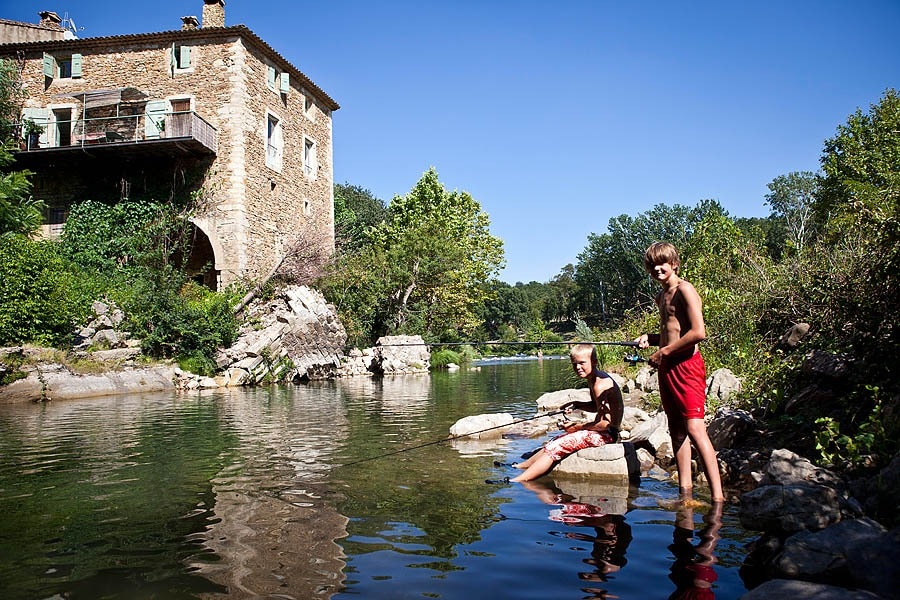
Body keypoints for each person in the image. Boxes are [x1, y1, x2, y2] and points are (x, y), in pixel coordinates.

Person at [635, 241, 724, 502]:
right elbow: (671, 333)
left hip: (687, 368)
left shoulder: (685, 290)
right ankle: (685, 492)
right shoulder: (661, 296)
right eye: (652, 265)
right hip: (667, 369)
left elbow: (698, 332)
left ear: (674, 264)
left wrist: (663, 352)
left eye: (662, 263)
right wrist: (650, 339)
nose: (657, 269)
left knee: (695, 429)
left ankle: (718, 497)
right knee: (676, 431)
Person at [511, 343, 624, 482]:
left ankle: (519, 480)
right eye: (574, 364)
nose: (577, 368)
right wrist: (577, 405)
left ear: (594, 362)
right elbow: (597, 407)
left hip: (608, 435)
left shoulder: (600, 384)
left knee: (560, 444)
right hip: (603, 431)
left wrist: (577, 427)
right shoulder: (593, 378)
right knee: (555, 440)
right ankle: (522, 466)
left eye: (582, 363)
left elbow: (605, 424)